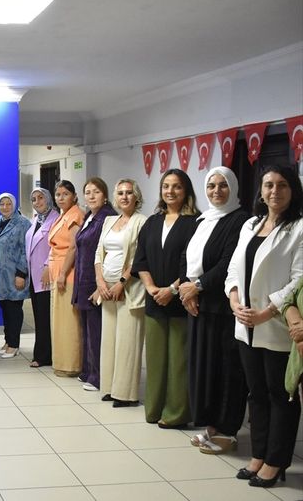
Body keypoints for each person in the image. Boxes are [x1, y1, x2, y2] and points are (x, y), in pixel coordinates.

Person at [225, 165, 303, 487]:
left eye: (282, 185)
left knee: (280, 394)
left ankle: (276, 460)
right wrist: (234, 300)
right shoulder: (250, 224)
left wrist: (268, 311)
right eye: (268, 185)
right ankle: (258, 454)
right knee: (256, 393)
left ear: (293, 190)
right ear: (260, 190)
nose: (274, 191)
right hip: (246, 323)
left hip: (276, 325)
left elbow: (299, 279)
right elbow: (234, 268)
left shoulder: (299, 228)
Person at [178, 167, 249, 454]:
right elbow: (186, 256)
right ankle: (211, 425)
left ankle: (228, 430)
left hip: (222, 307)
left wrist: (197, 287)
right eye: (211, 186)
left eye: (223, 185)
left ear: (233, 188)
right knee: (204, 370)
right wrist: (186, 290)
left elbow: (228, 262)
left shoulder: (240, 220)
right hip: (197, 305)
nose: (216, 191)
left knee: (227, 371)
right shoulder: (203, 219)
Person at [133, 168, 200, 429]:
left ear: (186, 191)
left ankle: (176, 413)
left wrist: (171, 290)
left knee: (178, 361)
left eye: (177, 187)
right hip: (154, 300)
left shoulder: (195, 222)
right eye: (166, 186)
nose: (170, 191)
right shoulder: (152, 222)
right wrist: (151, 288)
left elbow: (193, 264)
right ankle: (154, 409)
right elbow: (141, 260)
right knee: (156, 360)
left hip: (181, 300)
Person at [95, 179, 147, 407]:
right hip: (106, 288)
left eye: (129, 193)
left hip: (130, 289)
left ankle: (125, 394)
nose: (124, 197)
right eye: (120, 193)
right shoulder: (109, 220)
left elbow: (140, 258)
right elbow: (99, 253)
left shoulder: (142, 222)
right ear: (115, 197)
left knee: (127, 342)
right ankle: (109, 387)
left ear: (136, 196)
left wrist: (121, 283)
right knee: (109, 341)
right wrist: (100, 282)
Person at [74, 178, 117, 391]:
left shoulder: (108, 218)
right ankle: (88, 370)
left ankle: (98, 376)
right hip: (84, 279)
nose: (91, 196)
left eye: (96, 192)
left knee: (97, 331)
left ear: (105, 195)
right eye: (88, 192)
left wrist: (100, 284)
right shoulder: (89, 216)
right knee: (88, 330)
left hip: (96, 282)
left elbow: (106, 253)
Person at [0, 193, 31, 359]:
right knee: (5, 309)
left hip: (14, 275)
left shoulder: (23, 223)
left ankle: (14, 345)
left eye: (8, 204)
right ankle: (8, 341)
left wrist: (21, 273)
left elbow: (25, 250)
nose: (5, 207)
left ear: (14, 204)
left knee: (14, 310)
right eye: (2, 204)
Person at [47, 180, 84, 377]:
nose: (61, 198)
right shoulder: (63, 215)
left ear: (74, 196)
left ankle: (72, 364)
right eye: (58, 194)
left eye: (65, 194)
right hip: (58, 270)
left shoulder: (76, 215)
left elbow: (73, 247)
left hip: (68, 273)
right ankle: (61, 362)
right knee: (59, 322)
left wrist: (62, 273)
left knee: (68, 322)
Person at [25, 188, 58, 367]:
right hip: (34, 275)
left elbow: (56, 246)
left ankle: (44, 356)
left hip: (46, 275)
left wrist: (47, 266)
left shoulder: (55, 219)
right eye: (34, 199)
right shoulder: (36, 220)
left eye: (40, 198)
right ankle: (41, 353)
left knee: (45, 316)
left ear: (48, 199)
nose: (37, 202)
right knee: (39, 316)